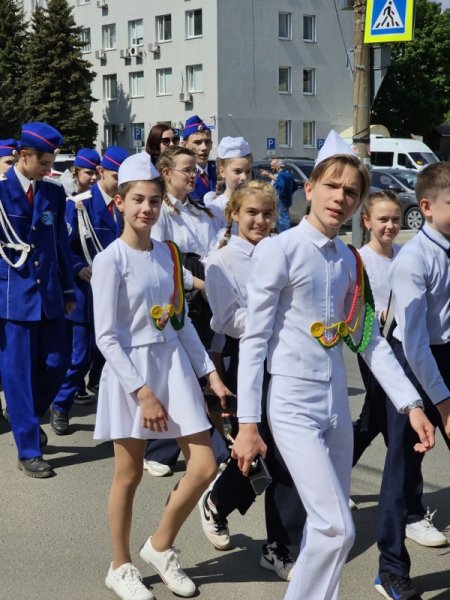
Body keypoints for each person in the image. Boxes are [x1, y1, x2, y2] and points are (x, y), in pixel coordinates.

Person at [231, 130, 435, 600]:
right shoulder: (278, 251)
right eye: (332, 186)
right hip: (291, 403)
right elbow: (254, 340)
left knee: (330, 534)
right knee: (335, 528)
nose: (339, 198)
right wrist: (247, 422)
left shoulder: (348, 260)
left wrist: (411, 404)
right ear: (309, 189)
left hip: (335, 409)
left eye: (351, 191)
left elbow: (368, 340)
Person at [91, 151, 230, 600]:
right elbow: (106, 337)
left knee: (205, 464)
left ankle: (160, 546)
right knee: (128, 475)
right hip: (132, 373)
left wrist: (209, 373)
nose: (146, 209)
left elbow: (181, 320)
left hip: (172, 364)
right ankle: (120, 564)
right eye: (137, 200)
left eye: (153, 200)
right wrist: (143, 393)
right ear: (121, 204)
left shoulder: (168, 253)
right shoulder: (111, 260)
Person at [202, 181, 304, 580]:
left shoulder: (283, 250)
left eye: (266, 214)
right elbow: (227, 320)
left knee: (283, 453)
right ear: (234, 215)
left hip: (288, 357)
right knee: (264, 450)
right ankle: (222, 504)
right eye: (252, 214)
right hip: (249, 358)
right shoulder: (221, 261)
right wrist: (276, 318)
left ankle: (277, 542)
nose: (260, 221)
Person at [351, 190, 447, 548]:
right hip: (375, 354)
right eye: (383, 220)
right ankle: (410, 513)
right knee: (399, 435)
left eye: (395, 219)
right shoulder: (359, 260)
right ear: (367, 222)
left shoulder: (406, 255)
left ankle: (406, 507)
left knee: (377, 424)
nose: (390, 226)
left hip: (401, 352)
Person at [374, 161, 450, 600]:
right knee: (401, 473)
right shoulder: (413, 260)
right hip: (413, 363)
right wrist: (442, 403)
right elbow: (417, 343)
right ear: (426, 206)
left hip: (446, 355)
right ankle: (390, 571)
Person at [143, 146, 228, 477]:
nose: (194, 174)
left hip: (205, 294)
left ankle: (173, 447)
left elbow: (213, 252)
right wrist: (198, 284)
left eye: (195, 169)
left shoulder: (200, 212)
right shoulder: (160, 214)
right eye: (186, 170)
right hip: (178, 295)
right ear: (166, 173)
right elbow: (163, 262)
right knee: (179, 374)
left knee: (193, 371)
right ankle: (168, 448)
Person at [0, 122, 75, 478]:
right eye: (44, 163)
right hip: (12, 297)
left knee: (58, 363)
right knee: (16, 376)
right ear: (24, 155)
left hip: (49, 296)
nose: (49, 170)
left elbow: (59, 243)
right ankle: (29, 450)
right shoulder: (1, 193)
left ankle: (25, 416)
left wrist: (68, 289)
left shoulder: (54, 194)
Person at [50, 146, 129, 434]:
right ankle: (60, 405)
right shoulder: (79, 204)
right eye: (115, 175)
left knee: (107, 353)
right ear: (100, 173)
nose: (120, 182)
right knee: (79, 356)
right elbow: (64, 248)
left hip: (117, 293)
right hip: (86, 293)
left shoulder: (125, 205)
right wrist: (76, 268)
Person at [205, 136, 252, 216]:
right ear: (222, 172)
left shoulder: (256, 203)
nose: (244, 177)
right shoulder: (215, 210)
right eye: (237, 171)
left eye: (248, 171)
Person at [181, 115, 216, 202]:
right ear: (185, 145)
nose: (204, 147)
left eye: (207, 142)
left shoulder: (220, 172)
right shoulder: (181, 175)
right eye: (198, 142)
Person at [260, 158, 296, 232]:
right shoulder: (287, 174)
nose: (271, 167)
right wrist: (288, 194)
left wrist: (278, 195)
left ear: (278, 166)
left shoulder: (281, 175)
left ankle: (283, 235)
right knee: (283, 218)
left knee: (282, 220)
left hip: (281, 200)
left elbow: (280, 185)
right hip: (286, 200)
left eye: (273, 165)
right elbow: (295, 186)